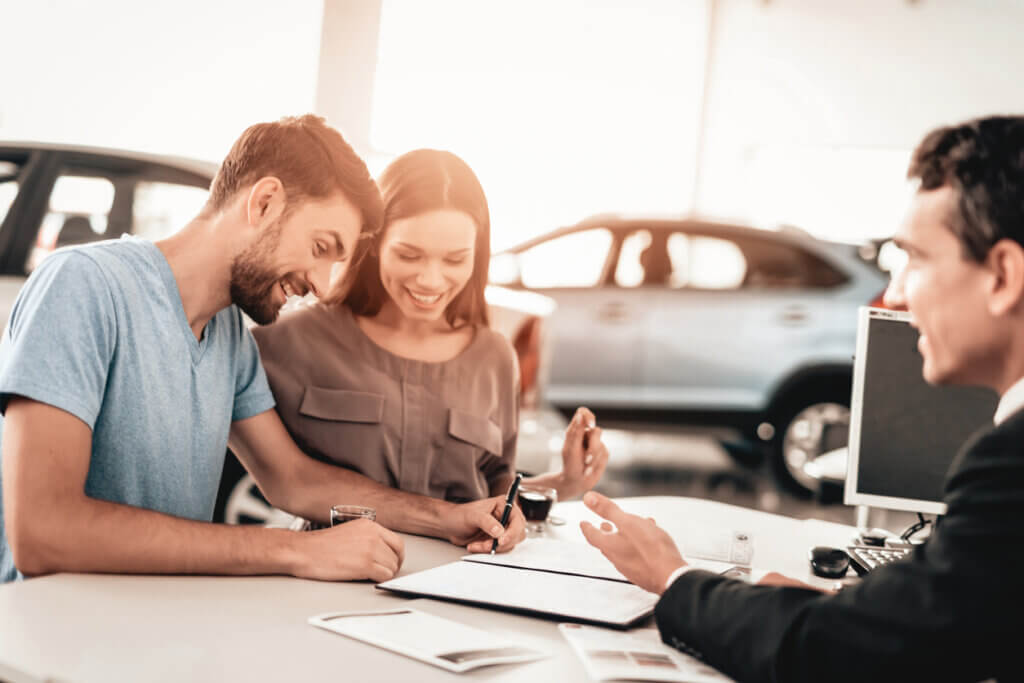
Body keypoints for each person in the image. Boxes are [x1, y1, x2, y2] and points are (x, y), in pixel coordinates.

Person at [581, 115, 1024, 682]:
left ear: (1003, 275)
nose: (894, 294)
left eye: (917, 259)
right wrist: (844, 613)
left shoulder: (1012, 467)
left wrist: (674, 579)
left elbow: (840, 656)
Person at [0, 116, 514, 585]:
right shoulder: (83, 286)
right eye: (320, 249)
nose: (321, 283)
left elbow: (294, 479)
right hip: (49, 647)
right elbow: (44, 532)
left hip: (156, 633)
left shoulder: (227, 334)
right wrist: (294, 551)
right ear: (264, 202)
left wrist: (447, 517)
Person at [248, 149, 609, 544]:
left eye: (455, 259)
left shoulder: (494, 358)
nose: (431, 281)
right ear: (373, 243)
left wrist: (564, 482)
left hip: (463, 586)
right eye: (409, 254)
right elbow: (288, 479)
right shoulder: (288, 341)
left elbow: (491, 497)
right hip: (330, 586)